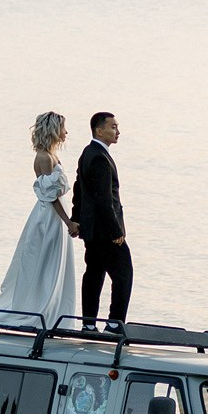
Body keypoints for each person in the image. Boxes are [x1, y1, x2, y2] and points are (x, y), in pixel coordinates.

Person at [0, 112, 80, 324]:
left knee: (53, 263)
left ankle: (54, 310)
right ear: (55, 130)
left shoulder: (51, 155)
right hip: (49, 216)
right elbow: (51, 196)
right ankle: (39, 309)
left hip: (55, 213)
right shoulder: (44, 158)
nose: (66, 132)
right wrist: (68, 222)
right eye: (64, 128)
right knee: (45, 263)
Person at [73, 110, 130, 328]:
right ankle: (114, 324)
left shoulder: (87, 153)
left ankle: (88, 324)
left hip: (91, 229)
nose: (118, 132)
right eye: (113, 127)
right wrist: (116, 231)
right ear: (99, 130)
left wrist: (76, 219)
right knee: (124, 273)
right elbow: (104, 200)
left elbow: (79, 190)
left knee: (94, 274)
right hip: (105, 231)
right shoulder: (99, 157)